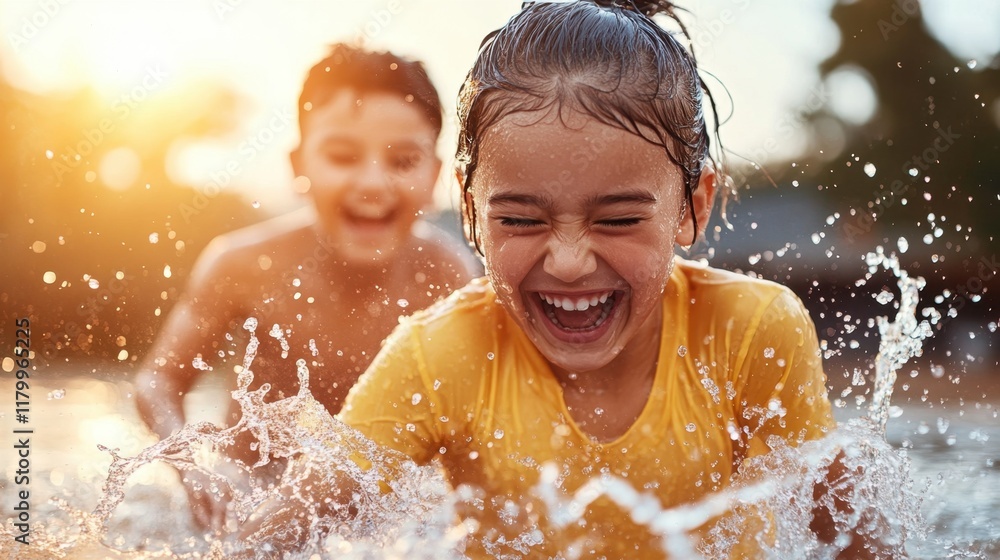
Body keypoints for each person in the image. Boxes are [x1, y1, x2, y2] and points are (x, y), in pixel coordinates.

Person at [241, 2, 897, 558]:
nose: (569, 261)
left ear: (691, 207)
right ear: (470, 210)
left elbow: (849, 535)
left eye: (618, 219)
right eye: (522, 220)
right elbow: (277, 536)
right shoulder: (439, 356)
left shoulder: (749, 332)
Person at [135, 44, 479, 533]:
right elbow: (159, 380)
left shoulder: (448, 276)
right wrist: (192, 464)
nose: (372, 183)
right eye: (342, 157)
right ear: (298, 163)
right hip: (252, 502)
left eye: (403, 161)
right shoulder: (245, 263)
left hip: (377, 518)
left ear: (435, 174)